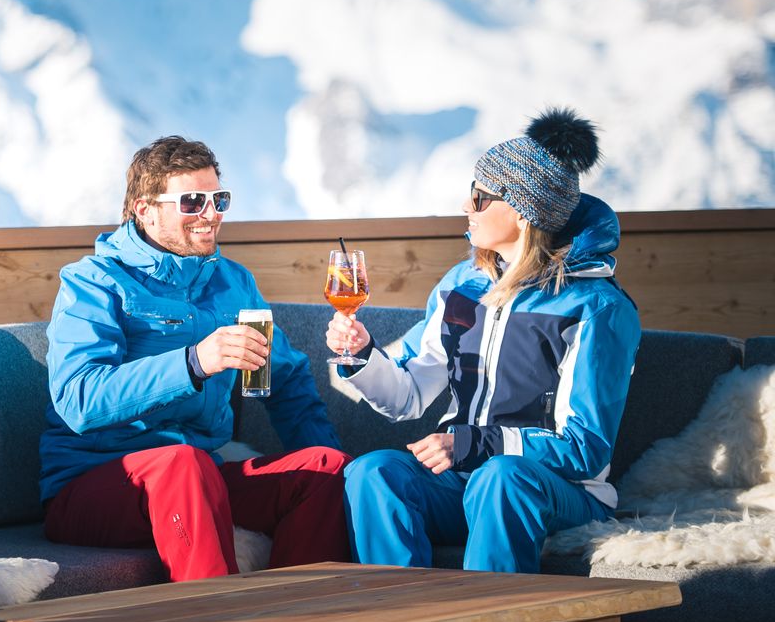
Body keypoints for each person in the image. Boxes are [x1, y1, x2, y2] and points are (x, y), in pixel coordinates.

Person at [327, 108, 641, 573]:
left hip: (556, 490)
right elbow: (410, 395)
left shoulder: (596, 307)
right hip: (467, 480)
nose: (465, 206)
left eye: (478, 196)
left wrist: (477, 444)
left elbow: (584, 447)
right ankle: (399, 619)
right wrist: (361, 356)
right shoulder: (463, 285)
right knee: (374, 472)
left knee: (501, 478)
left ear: (520, 209)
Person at [40, 135, 350, 582]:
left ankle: (288, 616)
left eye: (218, 198)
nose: (211, 214)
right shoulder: (93, 283)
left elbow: (286, 383)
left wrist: (344, 474)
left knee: (325, 468)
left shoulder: (233, 283)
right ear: (145, 209)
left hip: (200, 474)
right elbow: (80, 399)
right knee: (183, 464)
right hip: (96, 483)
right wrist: (193, 363)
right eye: (192, 201)